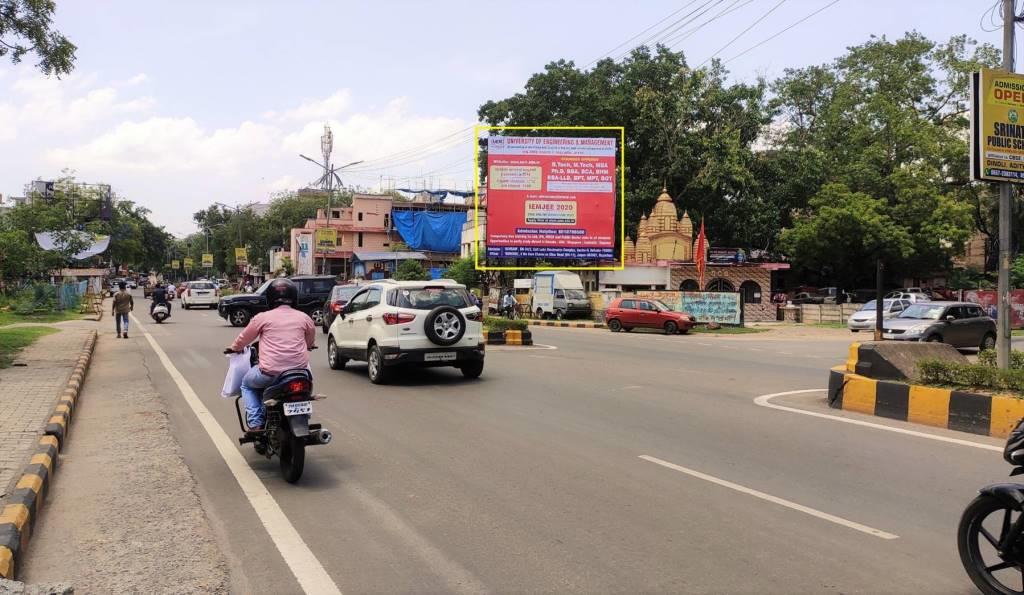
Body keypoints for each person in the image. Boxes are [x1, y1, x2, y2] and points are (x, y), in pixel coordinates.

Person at [227, 278, 316, 430]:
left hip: (270, 373)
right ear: (294, 298)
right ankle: (303, 414)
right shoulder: (304, 318)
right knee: (306, 388)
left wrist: (234, 348)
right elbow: (310, 340)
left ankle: (255, 423)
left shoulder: (262, 318)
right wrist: (309, 346)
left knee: (246, 384)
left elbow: (244, 338)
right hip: (300, 373)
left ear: (269, 298)